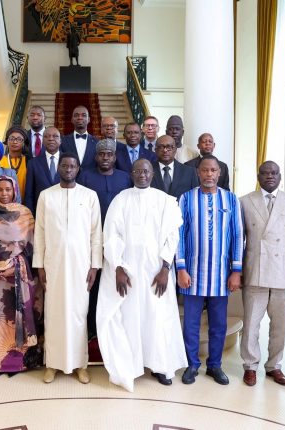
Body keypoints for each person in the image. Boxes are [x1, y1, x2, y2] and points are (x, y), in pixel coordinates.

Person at [96, 160, 187, 391]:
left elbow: (172, 237)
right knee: (131, 318)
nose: (142, 175)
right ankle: (133, 365)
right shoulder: (121, 199)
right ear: (132, 174)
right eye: (137, 171)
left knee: (157, 317)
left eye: (146, 171)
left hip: (157, 272)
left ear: (152, 173)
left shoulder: (164, 201)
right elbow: (111, 235)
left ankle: (160, 366)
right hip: (130, 272)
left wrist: (165, 268)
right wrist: (118, 267)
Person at [33, 152, 102, 384]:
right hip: (53, 264)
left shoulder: (89, 196)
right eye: (64, 165)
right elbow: (39, 232)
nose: (68, 169)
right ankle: (52, 364)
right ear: (59, 168)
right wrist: (39, 265)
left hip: (81, 266)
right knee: (54, 314)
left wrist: (95, 265)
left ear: (78, 168)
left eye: (72, 166)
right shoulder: (46, 196)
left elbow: (96, 233)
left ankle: (80, 364)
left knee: (78, 314)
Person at [239, 161, 285, 387]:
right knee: (251, 323)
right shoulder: (245, 201)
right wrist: (237, 270)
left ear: (280, 176)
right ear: (258, 176)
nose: (270, 176)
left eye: (274, 173)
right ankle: (250, 366)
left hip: (283, 271)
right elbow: (239, 240)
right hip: (255, 269)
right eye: (265, 173)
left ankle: (274, 366)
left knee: (281, 324)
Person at [177, 156, 243, 385]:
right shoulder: (186, 198)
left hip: (221, 274)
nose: (209, 174)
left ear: (219, 173)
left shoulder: (231, 199)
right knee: (191, 323)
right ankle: (192, 364)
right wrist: (181, 268)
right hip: (192, 273)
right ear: (198, 172)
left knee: (218, 324)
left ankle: (215, 365)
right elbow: (179, 235)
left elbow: (237, 235)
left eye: (213, 170)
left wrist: (236, 271)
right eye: (205, 170)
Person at [0, 175, 43, 374]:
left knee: (18, 318)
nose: (4, 193)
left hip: (20, 273)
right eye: (0, 189)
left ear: (14, 191)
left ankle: (20, 362)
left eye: (8, 189)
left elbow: (33, 244)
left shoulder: (25, 213)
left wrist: (14, 262)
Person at [78, 139, 131, 339]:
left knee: (115, 283)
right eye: (102, 154)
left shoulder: (125, 178)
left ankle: (115, 330)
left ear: (115, 157)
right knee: (93, 283)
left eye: (109, 154)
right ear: (96, 157)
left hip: (119, 240)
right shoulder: (85, 176)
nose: (105, 158)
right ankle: (92, 329)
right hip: (91, 238)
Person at [24, 127, 62, 215]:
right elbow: (29, 193)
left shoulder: (68, 161)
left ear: (60, 141)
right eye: (46, 136)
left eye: (55, 136)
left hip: (63, 213)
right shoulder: (33, 163)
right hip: (41, 213)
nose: (51, 139)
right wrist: (31, 216)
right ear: (43, 141)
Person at [150, 135, 199, 200]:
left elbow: (195, 197)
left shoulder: (190, 172)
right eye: (161, 147)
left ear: (175, 150)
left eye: (169, 147)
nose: (165, 150)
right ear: (155, 150)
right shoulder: (147, 171)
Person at [61, 105, 98, 170]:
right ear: (72, 120)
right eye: (76, 115)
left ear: (89, 119)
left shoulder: (97, 142)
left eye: (84, 115)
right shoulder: (63, 141)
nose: (80, 118)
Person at [0, 126, 30, 201]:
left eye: (19, 139)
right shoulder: (0, 161)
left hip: (25, 204)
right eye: (12, 138)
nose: (15, 142)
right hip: (3, 203)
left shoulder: (29, 161)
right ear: (7, 141)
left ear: (24, 142)